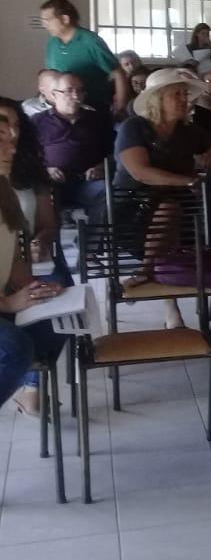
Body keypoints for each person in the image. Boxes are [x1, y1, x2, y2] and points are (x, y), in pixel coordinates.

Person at [115, 69, 211, 328]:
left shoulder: (189, 131)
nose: (185, 100)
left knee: (173, 209)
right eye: (177, 94)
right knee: (170, 208)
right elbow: (140, 173)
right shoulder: (134, 127)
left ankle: (159, 290)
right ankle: (153, 280)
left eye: (185, 94)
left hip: (179, 212)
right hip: (131, 209)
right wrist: (187, 181)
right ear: (157, 99)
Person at [0, 174, 66, 419]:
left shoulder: (5, 191)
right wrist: (7, 303)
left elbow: (15, 255)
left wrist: (34, 288)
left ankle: (30, 389)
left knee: (60, 320)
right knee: (14, 348)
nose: (9, 154)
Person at [32, 73, 113, 222]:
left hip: (87, 182)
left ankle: (95, 236)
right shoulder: (38, 121)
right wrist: (46, 170)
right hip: (52, 183)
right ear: (54, 95)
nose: (76, 96)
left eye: (80, 91)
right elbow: (28, 155)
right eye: (68, 91)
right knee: (40, 195)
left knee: (105, 192)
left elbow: (113, 152)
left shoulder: (97, 119)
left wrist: (102, 167)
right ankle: (51, 236)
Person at [40, 0, 127, 116]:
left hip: (93, 109)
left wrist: (120, 108)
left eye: (47, 20)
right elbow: (51, 76)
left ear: (65, 19)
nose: (44, 25)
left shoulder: (90, 41)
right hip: (61, 110)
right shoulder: (52, 43)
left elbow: (118, 73)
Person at [0, 99, 59, 271]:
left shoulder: (30, 168)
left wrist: (40, 241)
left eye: (16, 125)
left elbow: (48, 225)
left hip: (31, 261)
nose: (13, 134)